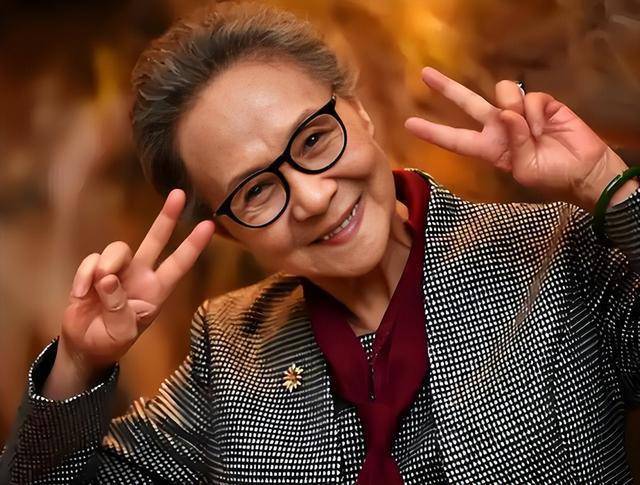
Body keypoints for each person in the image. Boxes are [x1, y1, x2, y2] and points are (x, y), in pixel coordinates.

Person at [2, 2, 640, 484]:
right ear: (230, 230)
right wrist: (78, 364)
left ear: (359, 113)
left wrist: (606, 186)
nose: (310, 198)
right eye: (256, 190)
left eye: (313, 140)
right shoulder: (229, 347)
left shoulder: (555, 252)